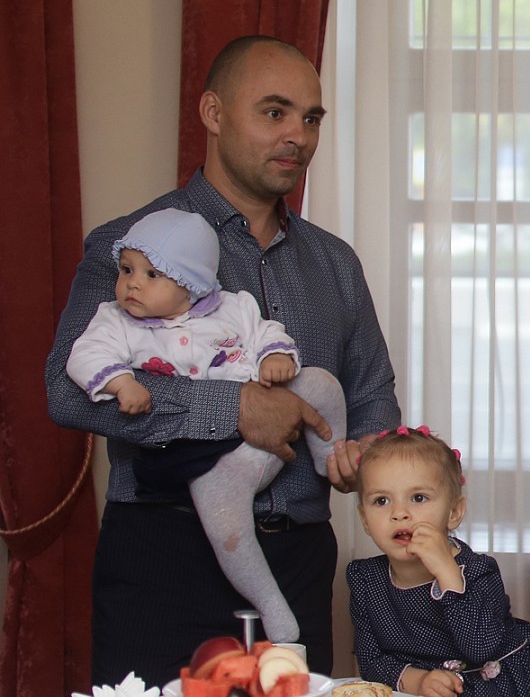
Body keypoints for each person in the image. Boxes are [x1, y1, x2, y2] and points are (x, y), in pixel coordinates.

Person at [46, 34, 399, 685]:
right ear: (212, 113)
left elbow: (371, 390)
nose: (299, 134)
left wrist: (366, 452)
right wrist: (232, 407)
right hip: (162, 559)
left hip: (298, 558)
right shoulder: (130, 249)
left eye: (311, 117)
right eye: (274, 112)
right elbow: (68, 393)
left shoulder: (334, 263)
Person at [65, 207, 347, 644]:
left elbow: (269, 332)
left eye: (152, 274)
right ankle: (270, 605)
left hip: (272, 450)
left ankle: (330, 455)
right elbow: (81, 359)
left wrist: (274, 357)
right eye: (126, 270)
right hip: (203, 462)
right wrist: (122, 382)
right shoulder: (116, 321)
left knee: (321, 383)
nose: (132, 283)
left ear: (191, 284)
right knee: (226, 525)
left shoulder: (234, 308)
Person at [346, 426, 530, 697]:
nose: (399, 513)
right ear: (364, 518)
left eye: (418, 498)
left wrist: (446, 572)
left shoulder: (478, 570)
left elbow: (480, 646)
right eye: (381, 501)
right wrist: (418, 681)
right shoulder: (366, 579)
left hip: (505, 696)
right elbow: (371, 661)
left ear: (454, 513)